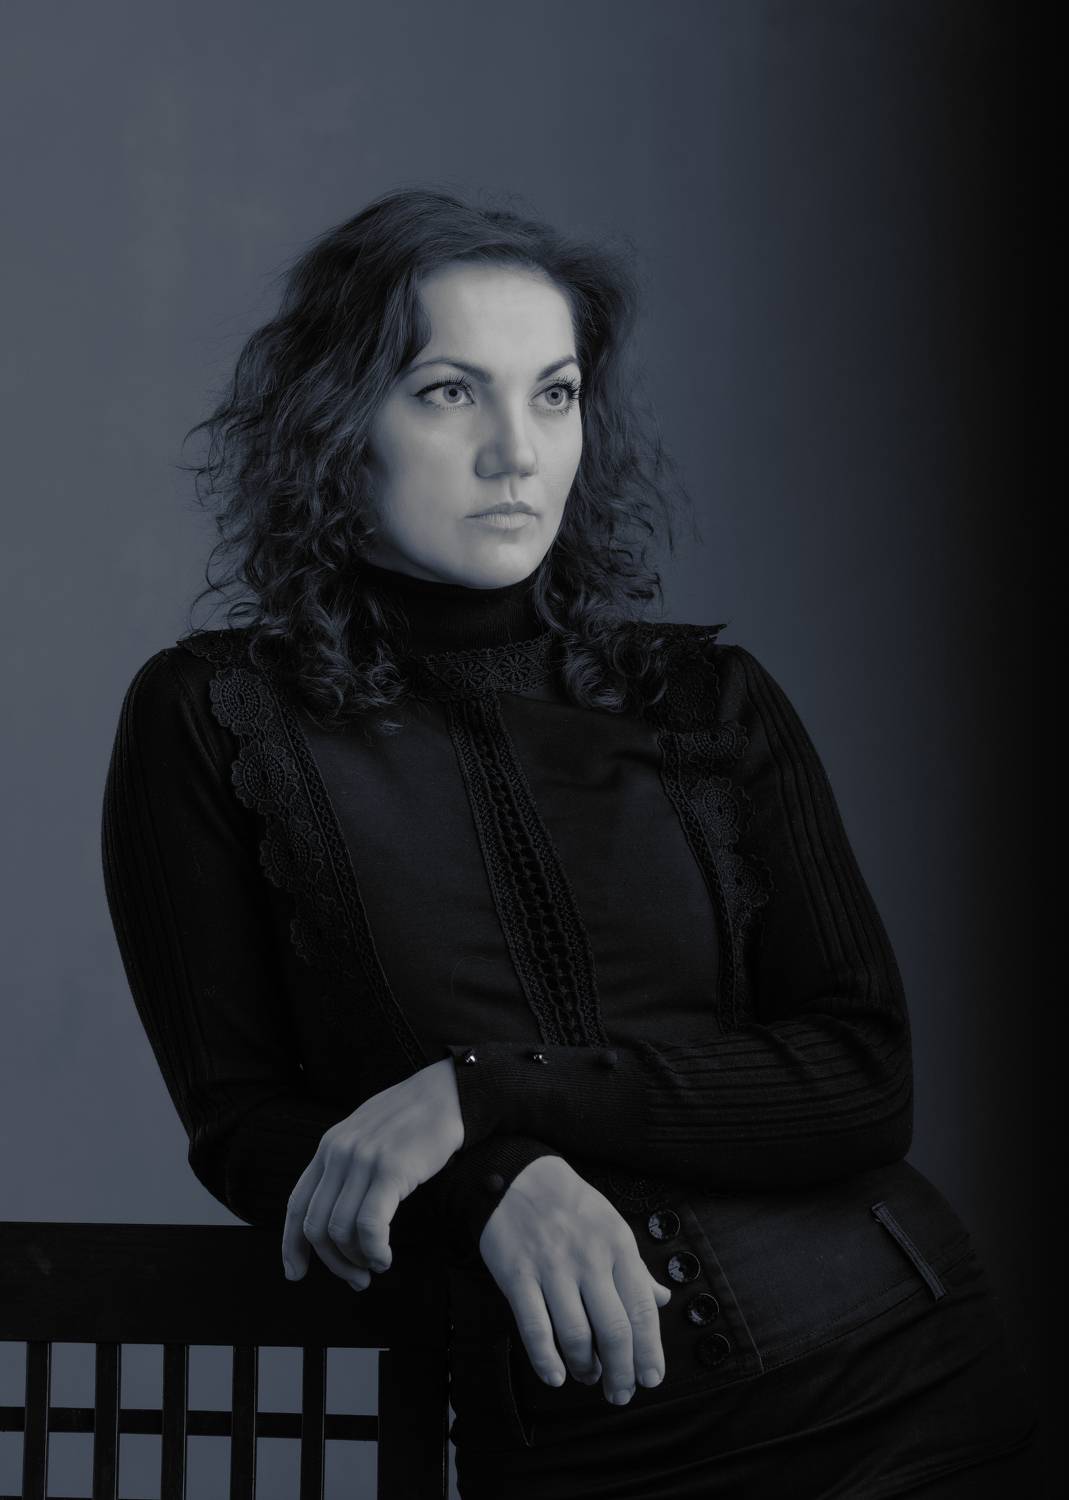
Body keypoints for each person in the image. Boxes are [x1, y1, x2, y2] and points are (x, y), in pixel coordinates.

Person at [101, 186, 1038, 1499]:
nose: (516, 453)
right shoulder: (211, 717)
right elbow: (243, 1125)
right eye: (448, 393)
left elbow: (862, 1077)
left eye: (553, 395)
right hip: (586, 1442)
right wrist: (492, 1184)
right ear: (334, 424)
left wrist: (489, 1091)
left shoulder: (706, 699)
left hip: (905, 1383)